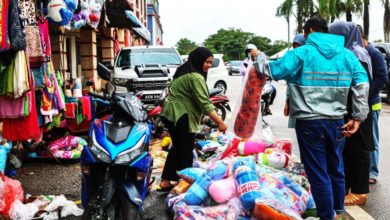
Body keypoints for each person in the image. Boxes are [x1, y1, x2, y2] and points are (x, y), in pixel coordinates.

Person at [254, 15, 369, 220]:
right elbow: (362, 85)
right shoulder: (347, 55)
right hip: (337, 122)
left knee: (318, 172)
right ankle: (338, 212)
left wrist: (259, 55)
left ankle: (327, 216)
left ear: (310, 32)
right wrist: (358, 117)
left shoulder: (301, 53)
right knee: (336, 168)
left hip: (310, 123)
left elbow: (271, 70)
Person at [158, 47, 228, 191]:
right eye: (207, 62)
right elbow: (204, 103)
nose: (209, 66)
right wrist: (220, 122)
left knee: (178, 147)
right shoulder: (195, 76)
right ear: (199, 60)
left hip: (171, 114)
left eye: (211, 63)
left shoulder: (184, 70)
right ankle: (185, 184)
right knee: (185, 149)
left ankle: (166, 180)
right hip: (180, 115)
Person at [329, 21, 374, 206]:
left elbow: (361, 87)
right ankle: (347, 187)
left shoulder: (356, 54)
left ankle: (360, 191)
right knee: (348, 151)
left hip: (358, 111)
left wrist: (357, 115)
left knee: (358, 151)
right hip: (350, 109)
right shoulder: (349, 52)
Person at [357, 26, 389, 185]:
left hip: (372, 104)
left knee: (372, 139)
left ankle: (372, 171)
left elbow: (382, 77)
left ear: (362, 37)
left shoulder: (373, 53)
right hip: (362, 103)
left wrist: (366, 95)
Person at [241, 44, 276, 115]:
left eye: (252, 52)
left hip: (262, 84)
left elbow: (267, 70)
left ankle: (267, 107)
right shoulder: (245, 62)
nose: (250, 54)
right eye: (248, 52)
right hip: (248, 84)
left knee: (273, 89)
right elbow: (243, 71)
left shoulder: (262, 61)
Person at [284, 34, 306, 128]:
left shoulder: (311, 62)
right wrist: (287, 102)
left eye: (299, 47)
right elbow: (289, 85)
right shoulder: (294, 62)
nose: (297, 50)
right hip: (295, 101)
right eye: (295, 47)